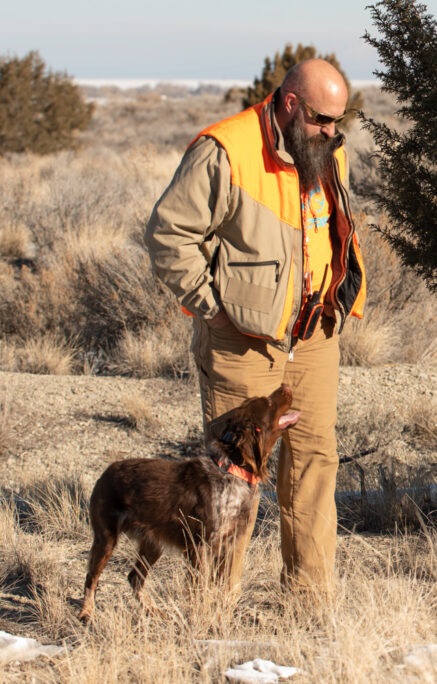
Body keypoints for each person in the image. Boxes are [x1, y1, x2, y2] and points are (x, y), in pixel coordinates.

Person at [144, 59, 366, 592]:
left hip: (313, 338)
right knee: (230, 486)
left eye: (341, 120)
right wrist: (212, 306)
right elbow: (168, 234)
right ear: (291, 104)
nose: (333, 132)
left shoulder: (328, 150)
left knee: (314, 469)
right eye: (321, 119)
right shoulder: (225, 150)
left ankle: (308, 609)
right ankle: (214, 616)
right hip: (241, 344)